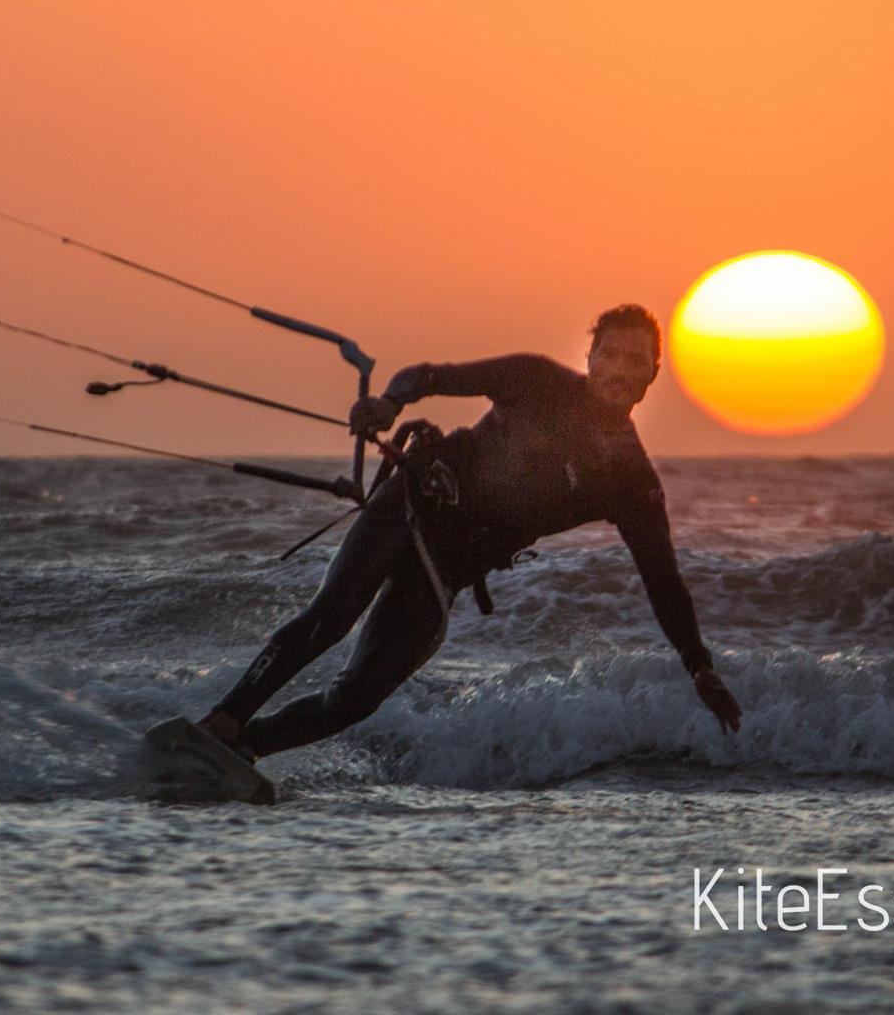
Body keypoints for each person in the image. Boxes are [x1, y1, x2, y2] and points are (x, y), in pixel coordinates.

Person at [198, 304, 742, 761]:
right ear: (591, 358)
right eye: (610, 355)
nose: (620, 369)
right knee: (333, 615)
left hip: (446, 570)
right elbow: (429, 376)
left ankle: (244, 749)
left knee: (358, 697)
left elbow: (663, 581)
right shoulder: (536, 381)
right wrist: (389, 404)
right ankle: (225, 718)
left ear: (653, 374)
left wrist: (699, 666)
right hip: (414, 501)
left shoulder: (631, 482)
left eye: (635, 360)